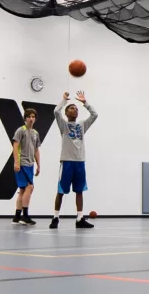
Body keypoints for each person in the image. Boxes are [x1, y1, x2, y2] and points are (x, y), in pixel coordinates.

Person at [50, 92, 99, 229]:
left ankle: (79, 218)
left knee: (79, 191)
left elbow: (94, 115)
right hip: (67, 161)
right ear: (66, 112)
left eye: (76, 109)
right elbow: (56, 111)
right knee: (61, 191)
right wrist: (64, 100)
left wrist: (85, 103)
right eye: (72, 108)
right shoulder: (64, 125)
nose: (75, 110)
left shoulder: (82, 125)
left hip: (80, 162)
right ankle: (55, 218)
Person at [10, 108, 42, 225]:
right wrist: (16, 162)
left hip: (30, 164)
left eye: (33, 117)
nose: (31, 119)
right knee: (30, 187)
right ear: (25, 118)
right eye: (29, 116)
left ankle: (17, 216)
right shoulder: (21, 130)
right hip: (22, 163)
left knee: (23, 189)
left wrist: (38, 164)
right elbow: (15, 146)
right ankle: (25, 215)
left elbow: (36, 149)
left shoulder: (35, 133)